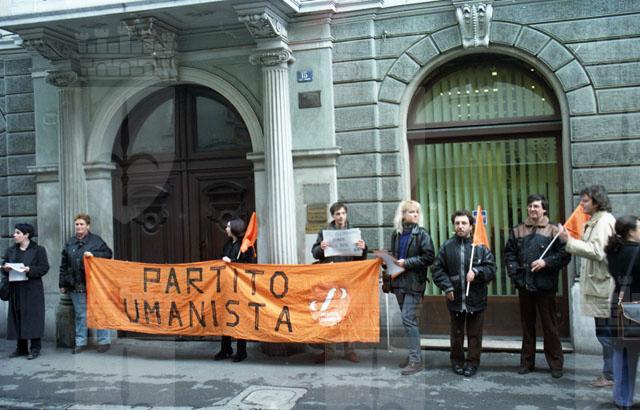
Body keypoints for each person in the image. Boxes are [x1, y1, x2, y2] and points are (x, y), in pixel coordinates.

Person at [504, 194, 570, 378]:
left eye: (536, 206)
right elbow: (509, 254)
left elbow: (565, 255)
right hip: (524, 284)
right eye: (530, 206)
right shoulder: (517, 230)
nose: (532, 209)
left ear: (544, 209)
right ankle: (527, 363)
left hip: (545, 285)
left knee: (550, 326)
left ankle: (556, 365)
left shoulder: (555, 230)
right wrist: (515, 275)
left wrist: (546, 262)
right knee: (527, 326)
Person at [559, 185, 616, 388]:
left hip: (603, 288)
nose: (581, 204)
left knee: (607, 335)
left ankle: (610, 375)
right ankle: (610, 373)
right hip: (598, 286)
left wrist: (569, 241)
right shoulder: (597, 220)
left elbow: (597, 251)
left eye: (585, 201)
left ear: (597, 203)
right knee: (605, 333)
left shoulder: (603, 222)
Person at [432, 210, 496, 377]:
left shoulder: (480, 247)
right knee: (457, 334)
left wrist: (476, 271)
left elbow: (491, 269)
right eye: (457, 223)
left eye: (464, 223)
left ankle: (472, 362)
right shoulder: (447, 246)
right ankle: (457, 361)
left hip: (476, 297)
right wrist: (447, 287)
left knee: (474, 334)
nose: (460, 226)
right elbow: (437, 270)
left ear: (471, 226)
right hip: (455, 298)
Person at [311, 201, 367, 364]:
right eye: (337, 214)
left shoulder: (354, 231)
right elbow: (315, 253)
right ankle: (329, 350)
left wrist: (363, 247)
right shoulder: (325, 232)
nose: (341, 216)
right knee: (329, 312)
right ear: (333, 216)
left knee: (348, 313)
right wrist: (321, 248)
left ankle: (349, 350)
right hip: (330, 278)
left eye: (343, 213)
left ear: (346, 214)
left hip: (348, 277)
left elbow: (361, 257)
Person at [390, 200, 435, 375]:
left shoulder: (422, 234)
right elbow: (396, 257)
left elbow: (429, 257)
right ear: (402, 215)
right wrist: (387, 261)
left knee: (408, 318)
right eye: (411, 212)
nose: (415, 215)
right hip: (398, 283)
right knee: (409, 321)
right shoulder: (396, 234)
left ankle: (416, 360)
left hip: (415, 283)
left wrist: (406, 262)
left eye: (417, 212)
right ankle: (413, 356)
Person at [59, 213, 113, 354]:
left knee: (100, 312)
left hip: (95, 284)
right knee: (81, 315)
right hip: (77, 284)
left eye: (82, 224)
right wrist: (62, 284)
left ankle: (104, 341)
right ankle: (80, 342)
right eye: (77, 224)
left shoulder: (96, 241)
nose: (79, 227)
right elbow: (64, 265)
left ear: (88, 226)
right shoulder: (70, 243)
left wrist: (94, 255)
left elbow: (108, 254)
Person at [605, 215, 640, 410]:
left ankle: (622, 399)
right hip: (636, 305)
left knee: (621, 353)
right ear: (631, 232)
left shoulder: (613, 251)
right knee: (630, 353)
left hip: (618, 305)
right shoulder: (637, 251)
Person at [2, 223, 49, 360]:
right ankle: (21, 348)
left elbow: (44, 268)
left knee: (33, 317)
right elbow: (4, 265)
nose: (14, 235)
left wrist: (30, 269)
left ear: (26, 235)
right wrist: (5, 268)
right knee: (17, 317)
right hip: (16, 289)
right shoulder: (11, 250)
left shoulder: (38, 250)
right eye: (15, 232)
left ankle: (35, 348)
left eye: (18, 233)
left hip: (32, 289)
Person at [214, 217, 256, 363]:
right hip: (227, 287)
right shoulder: (227, 245)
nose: (226, 228)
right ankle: (226, 349)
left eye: (228, 226)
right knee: (226, 317)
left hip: (240, 288)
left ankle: (241, 351)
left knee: (240, 319)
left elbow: (248, 265)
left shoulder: (246, 246)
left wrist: (232, 262)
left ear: (235, 229)